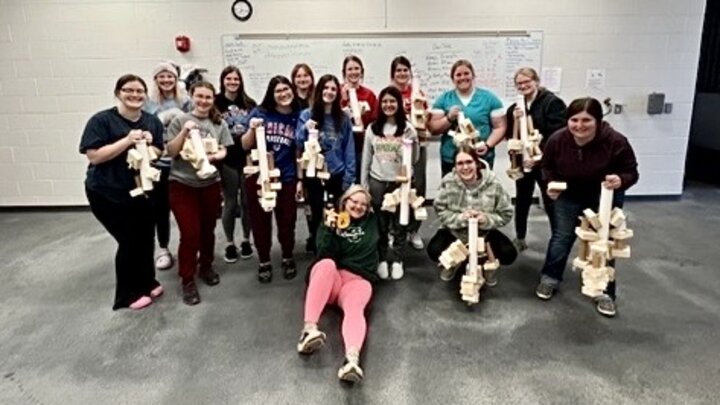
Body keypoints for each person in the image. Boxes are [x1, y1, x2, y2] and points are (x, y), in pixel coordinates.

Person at [535, 97, 639, 318]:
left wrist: (621, 180)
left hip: (604, 198)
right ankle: (550, 277)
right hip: (569, 196)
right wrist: (550, 185)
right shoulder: (558, 139)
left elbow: (631, 172)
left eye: (586, 120)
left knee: (603, 244)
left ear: (599, 121)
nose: (579, 126)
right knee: (562, 237)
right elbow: (546, 166)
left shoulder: (615, 141)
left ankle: (605, 292)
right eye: (574, 120)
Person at [79, 74, 164, 310]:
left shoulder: (151, 121)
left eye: (139, 91)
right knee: (129, 241)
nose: (135, 95)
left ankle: (148, 281)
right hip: (107, 192)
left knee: (146, 238)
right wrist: (127, 140)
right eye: (129, 90)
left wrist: (148, 145)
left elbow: (158, 150)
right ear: (118, 93)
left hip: (141, 190)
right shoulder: (102, 121)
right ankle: (127, 295)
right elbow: (94, 156)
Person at [297, 185, 379, 383]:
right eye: (354, 202)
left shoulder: (374, 222)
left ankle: (351, 360)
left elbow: (398, 219)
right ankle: (309, 330)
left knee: (355, 309)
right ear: (345, 202)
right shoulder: (332, 220)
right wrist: (328, 229)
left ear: (368, 208)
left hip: (357, 280)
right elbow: (323, 252)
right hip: (332, 278)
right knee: (325, 264)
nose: (358, 206)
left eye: (363, 204)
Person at [166, 81, 232, 305]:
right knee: (190, 232)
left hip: (209, 184)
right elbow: (172, 151)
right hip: (182, 184)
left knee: (207, 229)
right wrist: (185, 131)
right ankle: (187, 278)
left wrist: (213, 157)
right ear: (192, 97)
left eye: (208, 97)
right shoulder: (180, 121)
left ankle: (206, 266)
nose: (204, 101)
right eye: (200, 96)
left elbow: (224, 149)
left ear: (213, 99)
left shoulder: (218, 122)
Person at [240, 75, 301, 283]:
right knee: (260, 221)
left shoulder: (298, 115)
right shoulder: (260, 112)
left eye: (286, 90)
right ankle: (264, 261)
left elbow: (299, 150)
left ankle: (287, 256)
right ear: (271, 94)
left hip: (286, 176)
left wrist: (299, 179)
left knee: (287, 221)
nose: (283, 94)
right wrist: (252, 128)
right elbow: (245, 145)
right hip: (258, 177)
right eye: (278, 91)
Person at [427, 145, 516, 286]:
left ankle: (488, 265)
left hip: (484, 234)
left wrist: (486, 219)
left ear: (477, 163)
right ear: (455, 166)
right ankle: (453, 264)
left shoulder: (493, 184)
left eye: (469, 162)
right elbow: (440, 210)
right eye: (460, 163)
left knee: (508, 254)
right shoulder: (448, 182)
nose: (465, 167)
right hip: (455, 232)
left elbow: (506, 213)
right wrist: (461, 218)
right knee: (434, 250)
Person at [505, 67, 567, 252]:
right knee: (522, 199)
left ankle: (558, 239)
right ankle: (520, 236)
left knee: (551, 200)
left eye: (527, 82)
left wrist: (538, 158)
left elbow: (558, 135)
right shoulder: (515, 107)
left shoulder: (552, 103)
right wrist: (514, 119)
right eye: (519, 83)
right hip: (523, 163)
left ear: (536, 82)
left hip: (546, 163)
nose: (523, 86)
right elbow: (510, 136)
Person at [360, 86, 418, 280]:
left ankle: (398, 259)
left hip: (399, 183)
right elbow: (366, 159)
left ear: (399, 104)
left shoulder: (408, 129)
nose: (388, 105)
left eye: (392, 101)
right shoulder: (373, 128)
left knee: (400, 223)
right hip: (378, 181)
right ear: (380, 104)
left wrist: (411, 144)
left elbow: (415, 157)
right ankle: (382, 258)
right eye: (384, 101)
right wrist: (363, 186)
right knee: (380, 223)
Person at [296, 74, 355, 254]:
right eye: (325, 88)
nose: (329, 92)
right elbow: (298, 143)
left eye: (333, 89)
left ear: (337, 93)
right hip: (314, 173)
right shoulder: (307, 114)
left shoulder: (343, 118)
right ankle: (317, 244)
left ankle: (336, 245)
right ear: (319, 90)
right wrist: (305, 129)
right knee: (315, 212)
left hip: (336, 172)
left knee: (337, 211)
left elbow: (349, 148)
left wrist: (349, 176)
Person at [143, 61, 192, 271]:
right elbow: (144, 126)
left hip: (184, 161)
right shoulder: (148, 103)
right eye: (161, 76)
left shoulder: (186, 100)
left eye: (170, 76)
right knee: (160, 209)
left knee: (187, 209)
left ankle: (190, 246)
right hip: (159, 161)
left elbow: (194, 121)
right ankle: (163, 248)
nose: (166, 80)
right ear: (155, 80)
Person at [427, 59, 507, 175]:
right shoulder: (443, 99)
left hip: (481, 157)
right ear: (453, 78)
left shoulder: (489, 99)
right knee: (452, 191)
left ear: (473, 75)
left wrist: (487, 145)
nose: (462, 77)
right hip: (451, 159)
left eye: (466, 73)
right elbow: (433, 128)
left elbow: (500, 127)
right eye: (458, 75)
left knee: (482, 191)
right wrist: (448, 118)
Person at [214, 65, 257, 263]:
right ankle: (230, 243)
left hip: (247, 158)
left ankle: (247, 240)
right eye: (229, 79)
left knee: (248, 202)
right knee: (230, 202)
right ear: (223, 81)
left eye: (236, 79)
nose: (232, 82)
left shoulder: (249, 103)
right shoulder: (214, 103)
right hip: (226, 159)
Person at [390, 55, 428, 250]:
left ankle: (414, 230)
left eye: (405, 70)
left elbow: (425, 122)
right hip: (395, 149)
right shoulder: (388, 95)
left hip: (417, 147)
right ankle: (394, 230)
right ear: (392, 74)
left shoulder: (418, 93)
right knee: (394, 189)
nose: (402, 74)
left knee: (418, 187)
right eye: (398, 70)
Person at [340, 55, 378, 180]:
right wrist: (344, 100)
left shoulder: (369, 95)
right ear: (344, 72)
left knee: (361, 180)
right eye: (350, 69)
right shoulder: (337, 92)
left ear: (362, 71)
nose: (353, 72)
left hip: (362, 147)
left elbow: (375, 121)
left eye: (357, 68)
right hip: (342, 148)